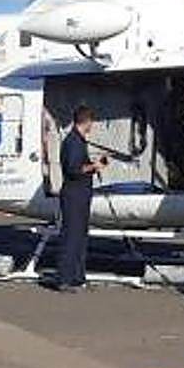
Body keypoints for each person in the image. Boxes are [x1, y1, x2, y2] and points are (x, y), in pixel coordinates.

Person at [54, 104, 106, 291]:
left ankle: (77, 276)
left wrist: (92, 164)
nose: (92, 125)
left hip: (81, 195)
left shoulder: (78, 140)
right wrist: (94, 166)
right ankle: (64, 279)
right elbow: (74, 169)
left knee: (81, 237)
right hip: (74, 196)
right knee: (72, 237)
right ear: (86, 121)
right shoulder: (73, 142)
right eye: (91, 122)